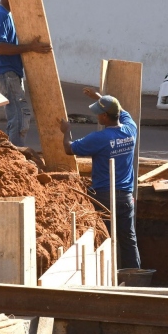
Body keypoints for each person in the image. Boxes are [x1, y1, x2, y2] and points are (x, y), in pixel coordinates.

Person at [60, 89, 140, 268]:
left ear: (105, 116)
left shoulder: (99, 138)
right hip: (126, 197)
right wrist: (100, 98)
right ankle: (135, 276)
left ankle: (106, 276)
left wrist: (66, 131)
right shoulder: (130, 129)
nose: (96, 116)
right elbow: (122, 110)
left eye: (98, 113)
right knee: (129, 239)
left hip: (103, 197)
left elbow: (68, 149)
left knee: (104, 239)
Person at [0, 0, 52, 147]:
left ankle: (14, 155)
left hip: (8, 72)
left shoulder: (6, 15)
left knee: (19, 116)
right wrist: (30, 47)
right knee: (19, 116)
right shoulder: (0, 15)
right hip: (5, 72)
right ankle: (16, 157)